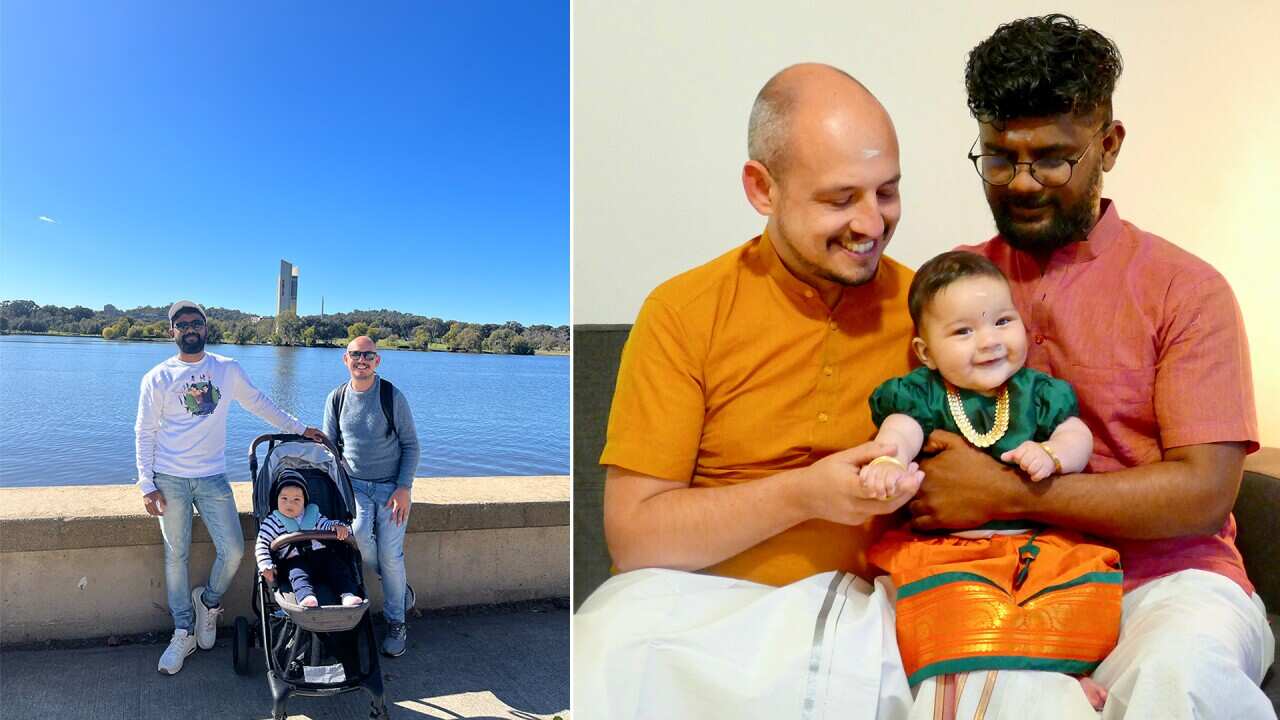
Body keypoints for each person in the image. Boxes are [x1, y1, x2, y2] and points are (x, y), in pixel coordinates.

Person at [907, 14, 1274, 717]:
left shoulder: (1185, 290)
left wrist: (1006, 494)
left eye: (1051, 157)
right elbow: (935, 467)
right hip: (1000, 583)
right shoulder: (948, 291)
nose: (1020, 182)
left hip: (1168, 587)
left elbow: (1204, 493)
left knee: (1181, 675)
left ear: (1109, 144)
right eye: (997, 157)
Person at [574, 64, 926, 718]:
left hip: (867, 622)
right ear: (762, 189)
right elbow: (635, 536)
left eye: (888, 192)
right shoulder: (683, 311)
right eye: (840, 198)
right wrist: (805, 493)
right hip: (690, 619)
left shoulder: (935, 312)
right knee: (606, 656)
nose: (872, 224)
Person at [860, 251, 1118, 710]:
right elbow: (902, 428)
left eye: (1002, 321)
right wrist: (890, 460)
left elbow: (1077, 432)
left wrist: (1055, 455)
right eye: (963, 331)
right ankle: (964, 678)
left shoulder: (1037, 392)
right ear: (926, 352)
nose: (989, 341)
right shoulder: (926, 393)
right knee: (954, 605)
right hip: (952, 546)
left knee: (1063, 599)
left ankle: (1066, 671)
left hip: (1034, 540)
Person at [136, 300, 325, 675]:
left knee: (236, 549)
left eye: (196, 322)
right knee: (177, 556)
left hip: (212, 476)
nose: (189, 328)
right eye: (181, 323)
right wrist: (146, 483)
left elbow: (259, 403)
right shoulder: (157, 377)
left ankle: (208, 602)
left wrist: (301, 429)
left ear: (206, 328)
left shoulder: (226, 369)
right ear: (171, 331)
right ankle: (183, 630)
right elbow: (144, 432)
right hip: (169, 477)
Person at [323, 335, 420, 657]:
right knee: (361, 535)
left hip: (393, 488)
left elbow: (411, 445)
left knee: (392, 555)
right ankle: (397, 585)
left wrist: (404, 488)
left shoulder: (392, 396)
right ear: (345, 359)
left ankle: (397, 622)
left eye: (368, 355)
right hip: (356, 488)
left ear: (377, 360)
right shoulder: (336, 398)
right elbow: (330, 449)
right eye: (355, 355)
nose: (361, 360)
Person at [254, 472, 363, 608]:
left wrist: (339, 527)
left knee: (338, 568)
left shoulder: (313, 516)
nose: (290, 503)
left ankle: (347, 595)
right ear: (277, 499)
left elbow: (327, 524)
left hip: (322, 556)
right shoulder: (272, 522)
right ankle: (306, 597)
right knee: (297, 574)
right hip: (293, 559)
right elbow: (262, 544)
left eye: (296, 500)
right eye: (284, 498)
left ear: (305, 501)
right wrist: (265, 565)